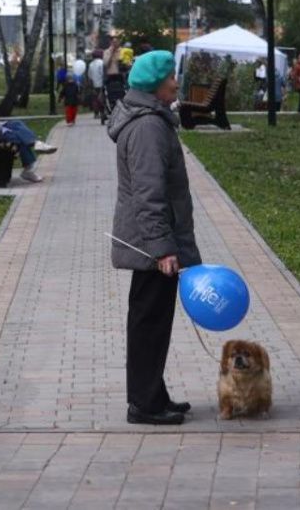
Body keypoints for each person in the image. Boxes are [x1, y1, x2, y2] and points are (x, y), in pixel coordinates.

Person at [107, 50, 202, 426]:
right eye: (171, 78)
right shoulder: (148, 127)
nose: (176, 83)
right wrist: (163, 247)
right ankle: (144, 405)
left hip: (148, 241)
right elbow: (149, 194)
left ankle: (152, 394)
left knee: (152, 322)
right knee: (149, 324)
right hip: (150, 244)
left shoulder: (152, 120)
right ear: (155, 84)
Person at [104, 37, 126, 113]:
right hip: (111, 75)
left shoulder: (122, 51)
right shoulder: (107, 52)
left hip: (120, 75)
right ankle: (111, 105)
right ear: (111, 43)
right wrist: (112, 53)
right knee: (111, 92)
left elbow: (126, 63)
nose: (115, 43)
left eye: (117, 42)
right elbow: (106, 64)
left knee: (121, 92)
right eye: (114, 42)